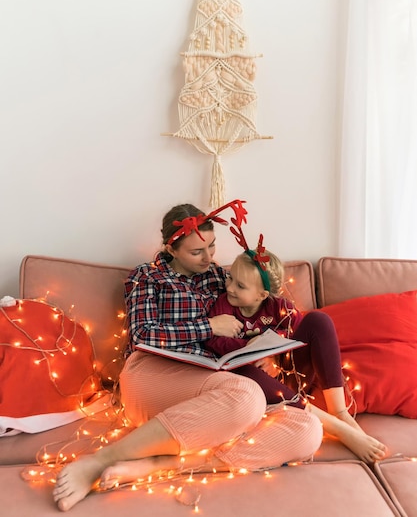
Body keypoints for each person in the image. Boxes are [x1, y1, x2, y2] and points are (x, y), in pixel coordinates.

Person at [52, 201, 323, 511]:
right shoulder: (146, 277)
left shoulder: (222, 277)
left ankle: (160, 465)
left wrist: (265, 351)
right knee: (248, 397)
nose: (209, 257)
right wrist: (208, 326)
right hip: (151, 375)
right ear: (172, 248)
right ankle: (100, 461)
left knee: (307, 430)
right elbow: (143, 334)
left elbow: (263, 312)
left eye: (212, 246)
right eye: (197, 252)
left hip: (212, 383)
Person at [204, 235, 387, 463]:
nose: (229, 287)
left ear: (262, 295)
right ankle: (335, 428)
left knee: (318, 320)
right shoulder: (223, 306)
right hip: (264, 392)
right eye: (230, 278)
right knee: (244, 372)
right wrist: (247, 348)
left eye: (240, 285)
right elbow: (215, 343)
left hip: (291, 376)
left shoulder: (279, 308)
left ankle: (340, 412)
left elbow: (293, 335)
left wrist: (273, 357)